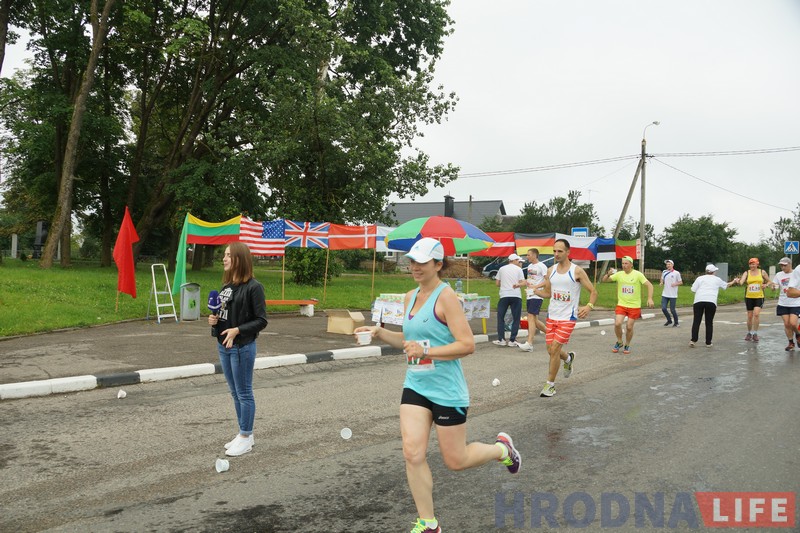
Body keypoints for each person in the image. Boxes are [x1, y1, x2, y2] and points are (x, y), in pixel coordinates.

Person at [354, 238, 521, 533]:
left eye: (422, 262)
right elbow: (409, 342)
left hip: (446, 390)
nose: (414, 267)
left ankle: (501, 450)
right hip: (416, 384)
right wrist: (379, 332)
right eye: (412, 261)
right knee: (412, 453)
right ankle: (429, 523)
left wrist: (427, 351)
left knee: (456, 460)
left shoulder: (446, 298)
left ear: (438, 265)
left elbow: (467, 344)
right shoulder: (410, 297)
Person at [208, 242, 268, 457]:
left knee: (244, 392)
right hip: (224, 346)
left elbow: (261, 320)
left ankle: (246, 436)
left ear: (239, 259)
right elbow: (224, 314)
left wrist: (237, 330)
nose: (224, 259)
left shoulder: (254, 287)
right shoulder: (226, 287)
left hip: (241, 347)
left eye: (228, 255)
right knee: (235, 392)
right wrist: (214, 320)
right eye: (224, 255)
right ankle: (244, 433)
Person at [533, 238, 597, 397]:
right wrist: (536, 291)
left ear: (568, 252)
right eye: (554, 251)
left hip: (568, 317)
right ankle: (568, 358)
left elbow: (593, 292)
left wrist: (588, 306)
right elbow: (548, 293)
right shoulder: (551, 270)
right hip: (552, 315)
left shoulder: (577, 271)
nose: (556, 254)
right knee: (551, 350)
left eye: (560, 251)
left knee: (555, 348)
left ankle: (550, 385)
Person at [601, 255, 654, 355]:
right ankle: (619, 341)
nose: (624, 265)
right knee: (617, 323)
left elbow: (649, 285)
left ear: (631, 265)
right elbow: (604, 280)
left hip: (634, 305)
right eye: (623, 263)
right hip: (622, 304)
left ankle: (627, 344)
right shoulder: (619, 274)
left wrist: (650, 298)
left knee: (629, 327)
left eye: (626, 263)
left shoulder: (638, 274)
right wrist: (608, 274)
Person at [689, 264, 738, 347]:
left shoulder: (699, 278)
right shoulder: (717, 279)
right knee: (709, 322)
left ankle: (693, 340)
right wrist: (734, 281)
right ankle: (708, 342)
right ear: (714, 272)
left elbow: (693, 289)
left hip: (699, 301)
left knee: (696, 321)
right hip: (711, 301)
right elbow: (726, 285)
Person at [517, 248, 548, 352]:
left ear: (535, 255)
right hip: (529, 294)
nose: (527, 257)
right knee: (535, 320)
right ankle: (551, 335)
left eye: (529, 255)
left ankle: (529, 343)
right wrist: (521, 284)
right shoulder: (530, 266)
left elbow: (547, 281)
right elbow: (530, 279)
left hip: (537, 295)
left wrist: (536, 287)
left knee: (530, 316)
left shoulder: (542, 266)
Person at [493, 253, 526, 347]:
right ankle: (512, 340)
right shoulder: (519, 269)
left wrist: (504, 284)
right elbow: (523, 282)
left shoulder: (502, 269)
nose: (519, 262)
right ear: (514, 260)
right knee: (516, 318)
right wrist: (518, 284)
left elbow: (497, 283)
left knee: (500, 317)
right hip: (516, 295)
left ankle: (501, 339)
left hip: (504, 295)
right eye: (518, 261)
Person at [737, 258, 771, 342]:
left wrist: (766, 285)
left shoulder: (762, 272)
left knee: (756, 314)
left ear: (757, 264)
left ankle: (755, 333)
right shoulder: (747, 272)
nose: (751, 266)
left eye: (753, 264)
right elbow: (741, 282)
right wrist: (738, 281)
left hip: (759, 296)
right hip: (749, 296)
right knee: (749, 316)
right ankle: (749, 332)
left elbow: (769, 281)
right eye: (750, 264)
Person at [770, 257, 800, 351]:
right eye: (781, 266)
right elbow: (774, 284)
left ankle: (798, 334)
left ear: (790, 264)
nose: (783, 267)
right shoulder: (779, 275)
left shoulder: (796, 272)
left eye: (785, 265)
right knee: (787, 324)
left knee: (793, 323)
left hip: (795, 302)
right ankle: (791, 342)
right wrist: (773, 287)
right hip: (783, 302)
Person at [659, 259, 683, 327]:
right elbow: (662, 279)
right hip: (665, 294)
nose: (668, 265)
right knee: (663, 308)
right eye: (667, 264)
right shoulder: (664, 272)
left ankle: (676, 322)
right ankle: (669, 320)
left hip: (673, 295)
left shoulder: (676, 273)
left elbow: (681, 282)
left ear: (672, 265)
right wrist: (661, 282)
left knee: (672, 310)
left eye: (669, 264)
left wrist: (675, 284)